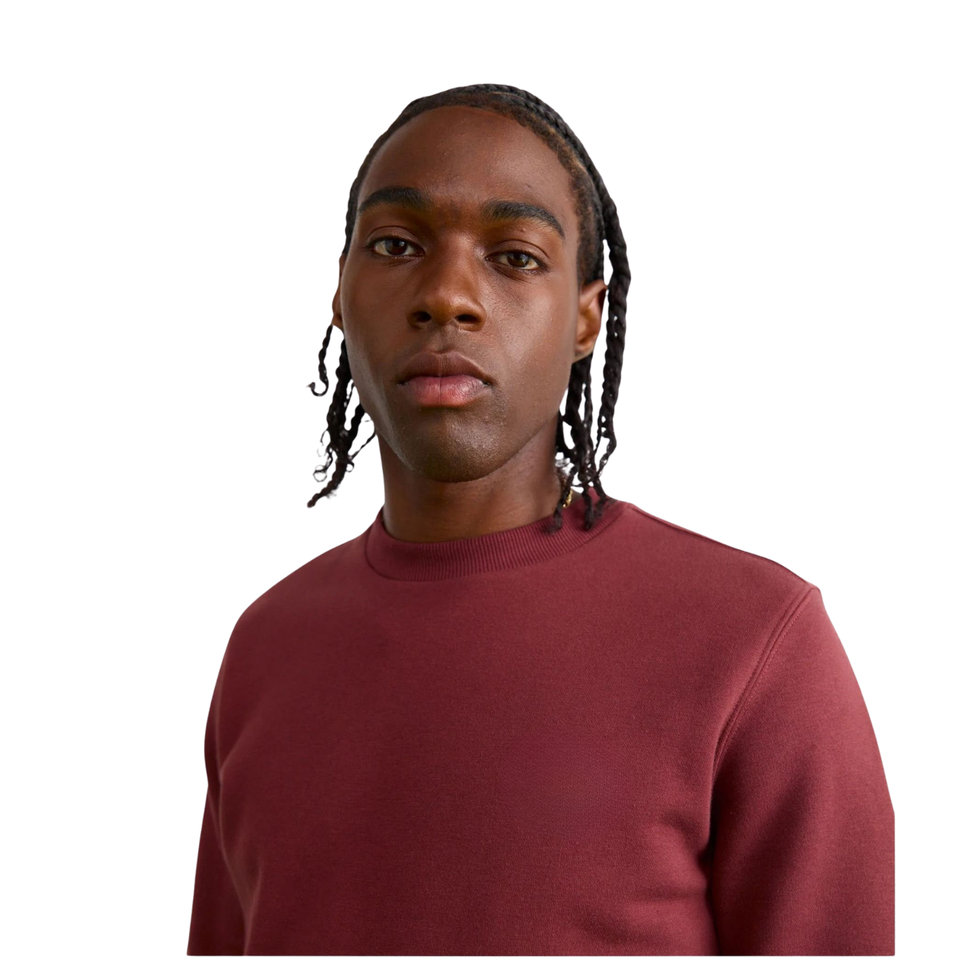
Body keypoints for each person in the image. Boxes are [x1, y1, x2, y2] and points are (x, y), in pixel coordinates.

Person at [186, 84, 894, 956]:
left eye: (515, 257)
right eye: (397, 244)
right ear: (340, 291)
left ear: (587, 317)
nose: (448, 295)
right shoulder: (266, 648)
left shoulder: (757, 643)